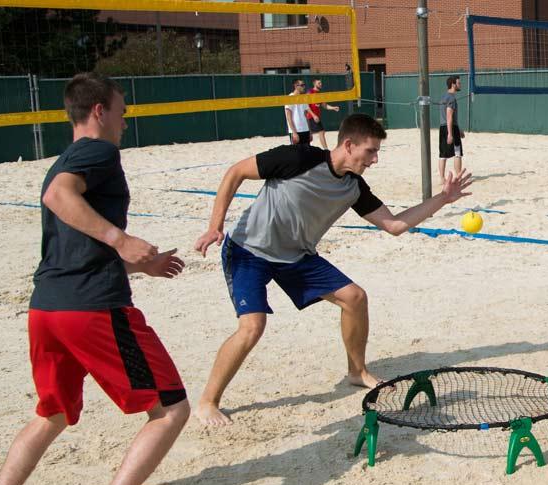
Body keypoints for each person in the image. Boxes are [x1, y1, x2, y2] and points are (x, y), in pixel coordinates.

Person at [192, 114, 473, 426]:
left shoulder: (354, 187)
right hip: (248, 249)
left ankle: (357, 371)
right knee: (252, 327)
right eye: (370, 151)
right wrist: (214, 227)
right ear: (349, 145)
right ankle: (208, 401)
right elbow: (236, 172)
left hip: (296, 256)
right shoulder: (298, 157)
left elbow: (395, 225)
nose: (374, 159)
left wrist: (443, 199)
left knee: (355, 298)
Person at [0, 73, 189, 485]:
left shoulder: (60, 161)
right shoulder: (98, 151)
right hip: (94, 313)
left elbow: (76, 250)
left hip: (47, 310)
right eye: (121, 112)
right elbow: (58, 197)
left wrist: (141, 266)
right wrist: (122, 239)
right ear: (99, 111)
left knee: (52, 414)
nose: (124, 122)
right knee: (171, 408)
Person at [438, 75, 465, 185]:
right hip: (449, 128)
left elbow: (448, 117)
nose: (460, 85)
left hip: (443, 127)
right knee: (457, 153)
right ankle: (458, 178)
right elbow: (449, 116)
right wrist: (451, 133)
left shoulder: (443, 97)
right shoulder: (451, 98)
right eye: (459, 83)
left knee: (443, 154)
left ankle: (442, 179)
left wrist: (459, 129)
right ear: (453, 84)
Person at [306, 78, 342, 148]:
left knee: (313, 133)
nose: (321, 84)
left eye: (321, 83)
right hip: (310, 116)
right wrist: (313, 116)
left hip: (315, 117)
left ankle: (309, 149)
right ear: (314, 83)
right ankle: (325, 150)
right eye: (319, 83)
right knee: (321, 132)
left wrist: (333, 108)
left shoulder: (320, 94)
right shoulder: (310, 92)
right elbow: (306, 106)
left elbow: (325, 106)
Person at [284, 79, 311, 145]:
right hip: (296, 131)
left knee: (307, 153)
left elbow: (306, 116)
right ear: (296, 86)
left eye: (304, 85)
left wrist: (310, 131)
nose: (304, 87)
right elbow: (289, 117)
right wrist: (294, 133)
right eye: (302, 85)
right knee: (297, 153)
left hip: (305, 130)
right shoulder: (290, 98)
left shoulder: (303, 98)